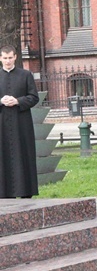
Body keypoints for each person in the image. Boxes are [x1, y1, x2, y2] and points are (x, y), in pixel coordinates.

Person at [0, 45, 39, 199]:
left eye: (10, 57)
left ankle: (25, 192)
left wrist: (17, 100)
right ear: (0, 58)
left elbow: (34, 97)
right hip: (2, 123)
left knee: (24, 155)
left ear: (15, 57)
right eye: (5, 58)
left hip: (21, 124)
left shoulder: (25, 75)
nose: (8, 61)